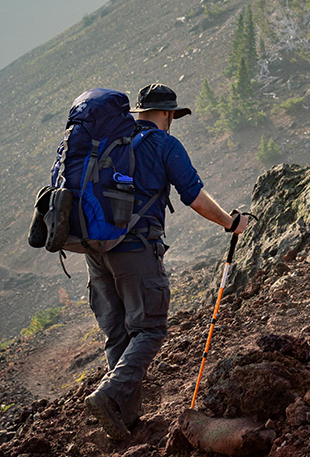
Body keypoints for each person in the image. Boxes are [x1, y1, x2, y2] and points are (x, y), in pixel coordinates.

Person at [84, 83, 248, 441]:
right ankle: (109, 396)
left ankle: (124, 423)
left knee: (119, 334)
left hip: (95, 251)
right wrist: (230, 222)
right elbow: (194, 197)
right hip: (136, 249)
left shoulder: (110, 142)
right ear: (169, 114)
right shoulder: (164, 144)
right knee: (150, 330)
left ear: (138, 112)